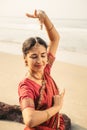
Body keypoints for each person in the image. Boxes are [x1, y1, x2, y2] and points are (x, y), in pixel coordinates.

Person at [18, 10, 65, 130]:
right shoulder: (26, 86)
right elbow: (30, 119)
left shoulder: (45, 71)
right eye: (34, 56)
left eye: (43, 55)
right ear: (25, 60)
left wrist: (45, 18)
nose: (40, 61)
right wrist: (56, 107)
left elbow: (55, 39)